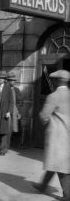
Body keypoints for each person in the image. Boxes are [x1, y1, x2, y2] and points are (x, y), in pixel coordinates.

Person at [33, 70, 70, 201]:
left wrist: (49, 124)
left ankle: (68, 195)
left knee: (60, 164)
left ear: (57, 81)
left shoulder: (53, 96)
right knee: (55, 162)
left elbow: (43, 116)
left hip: (58, 135)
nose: (52, 83)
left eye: (53, 80)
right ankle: (42, 186)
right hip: (68, 134)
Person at [6, 72, 23, 148]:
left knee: (15, 128)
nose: (13, 82)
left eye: (14, 80)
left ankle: (15, 145)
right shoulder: (5, 89)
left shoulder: (16, 90)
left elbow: (20, 101)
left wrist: (17, 110)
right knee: (7, 129)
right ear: (8, 81)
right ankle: (6, 145)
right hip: (6, 112)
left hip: (15, 112)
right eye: (11, 80)